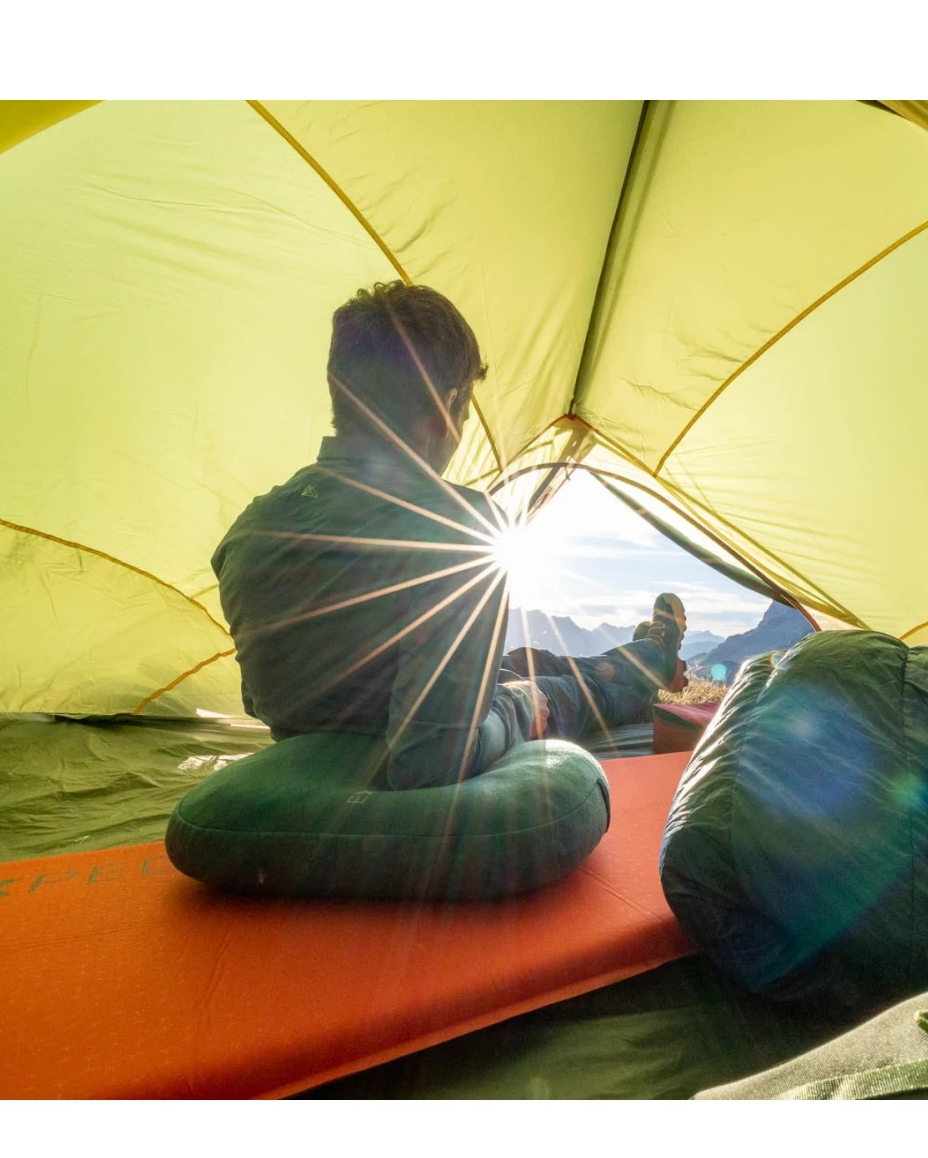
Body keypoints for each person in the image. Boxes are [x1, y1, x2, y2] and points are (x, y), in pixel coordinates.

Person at [212, 280, 687, 790]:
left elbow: (261, 698)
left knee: (530, 661)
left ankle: (645, 651)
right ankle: (657, 654)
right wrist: (520, 707)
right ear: (446, 408)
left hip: (370, 709)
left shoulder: (249, 530)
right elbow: (431, 759)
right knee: (566, 689)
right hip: (420, 729)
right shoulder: (460, 527)